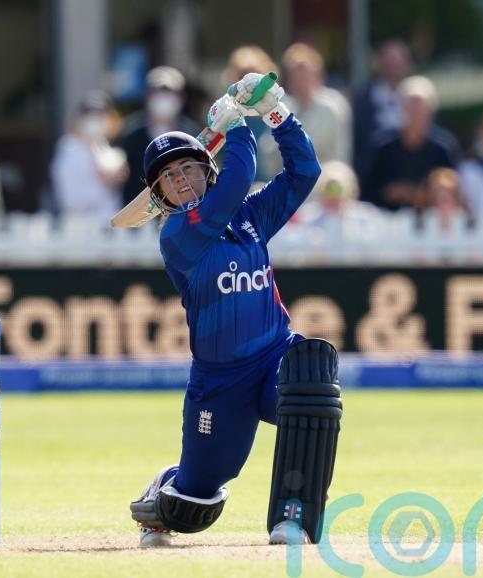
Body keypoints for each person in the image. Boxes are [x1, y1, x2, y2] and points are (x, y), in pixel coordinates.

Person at [127, 74, 341, 548]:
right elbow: (241, 174)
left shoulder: (250, 216)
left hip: (272, 356)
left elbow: (304, 173)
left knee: (311, 384)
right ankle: (163, 495)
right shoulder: (179, 235)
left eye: (189, 169)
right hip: (220, 380)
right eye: (170, 177)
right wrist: (239, 124)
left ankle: (294, 517)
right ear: (160, 194)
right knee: (195, 505)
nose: (182, 180)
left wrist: (277, 115)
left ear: (207, 170)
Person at [360, 75, 460, 210]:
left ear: (431, 112)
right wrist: (388, 193)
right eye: (409, 107)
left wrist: (420, 195)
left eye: (419, 108)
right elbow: (365, 193)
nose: (414, 113)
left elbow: (455, 192)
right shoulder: (381, 147)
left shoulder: (444, 149)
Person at [257, 43, 351, 178]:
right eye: (294, 75)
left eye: (304, 74)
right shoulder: (285, 106)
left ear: (318, 75)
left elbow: (307, 147)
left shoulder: (331, 106)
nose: (299, 81)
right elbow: (266, 148)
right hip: (292, 187)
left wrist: (282, 144)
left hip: (327, 186)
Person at [119, 66, 200, 206]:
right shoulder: (131, 132)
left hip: (183, 213)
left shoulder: (191, 134)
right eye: (157, 92)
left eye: (169, 92)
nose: (163, 98)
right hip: (139, 218)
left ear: (181, 98)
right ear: (147, 97)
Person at [50, 90, 127, 223]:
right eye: (90, 116)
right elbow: (70, 200)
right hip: (81, 229)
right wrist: (103, 184)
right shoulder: (69, 149)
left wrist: (116, 179)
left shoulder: (103, 147)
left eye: (100, 116)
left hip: (110, 227)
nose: (95, 121)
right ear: (79, 119)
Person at [352, 39, 412, 183]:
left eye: (397, 63)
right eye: (388, 63)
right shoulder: (363, 99)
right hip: (372, 177)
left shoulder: (417, 97)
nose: (393, 68)